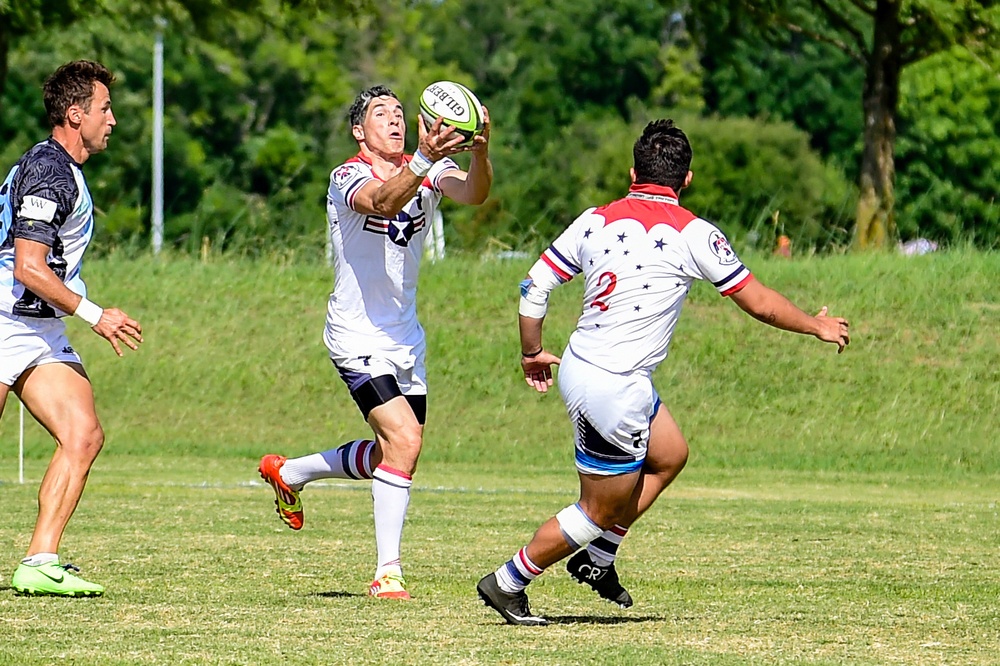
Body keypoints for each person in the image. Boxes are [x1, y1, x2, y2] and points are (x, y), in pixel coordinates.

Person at [476, 119, 850, 626]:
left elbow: (533, 287)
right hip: (616, 387)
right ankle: (508, 581)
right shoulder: (694, 233)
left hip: (584, 366)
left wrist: (532, 351)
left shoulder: (594, 219)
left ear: (633, 172)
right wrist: (817, 325)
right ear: (687, 179)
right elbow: (759, 303)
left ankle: (598, 559)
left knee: (670, 454)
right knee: (597, 509)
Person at [257, 85, 492, 599]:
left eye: (400, 113)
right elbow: (381, 200)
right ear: (359, 131)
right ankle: (388, 573)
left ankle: (291, 472)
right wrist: (427, 158)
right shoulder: (348, 175)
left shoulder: (425, 168)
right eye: (380, 113)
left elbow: (474, 194)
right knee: (404, 442)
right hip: (356, 333)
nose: (395, 119)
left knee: (397, 452)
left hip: (406, 337)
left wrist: (480, 149)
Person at [0, 60, 143, 597]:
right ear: (74, 113)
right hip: (3, 319)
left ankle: (40, 560)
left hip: (36, 329)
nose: (112, 120)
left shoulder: (65, 170)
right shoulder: (49, 169)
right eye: (105, 110)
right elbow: (27, 267)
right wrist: (95, 315)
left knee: (82, 435)